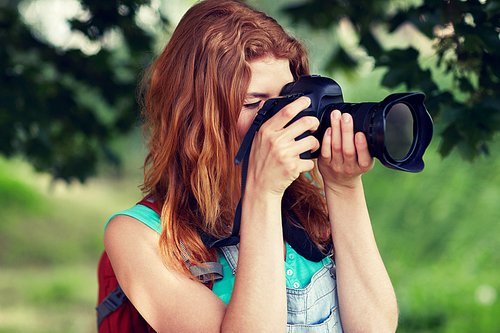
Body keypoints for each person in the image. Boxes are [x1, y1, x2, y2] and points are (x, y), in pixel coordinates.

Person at [103, 0, 399, 331]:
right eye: (253, 103)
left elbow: (376, 328)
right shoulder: (139, 236)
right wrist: (262, 194)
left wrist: (344, 188)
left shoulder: (307, 212)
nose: (278, 118)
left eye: (287, 99)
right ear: (194, 116)